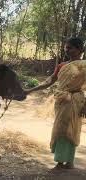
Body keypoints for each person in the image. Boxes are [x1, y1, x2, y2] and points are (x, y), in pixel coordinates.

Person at [26, 37, 85, 170]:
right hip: (62, 101)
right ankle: (59, 161)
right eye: (66, 47)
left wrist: (85, 105)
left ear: (80, 49)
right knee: (59, 129)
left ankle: (70, 161)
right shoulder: (62, 66)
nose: (67, 50)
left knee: (73, 129)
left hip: (76, 101)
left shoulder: (84, 66)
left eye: (70, 47)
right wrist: (30, 90)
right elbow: (49, 81)